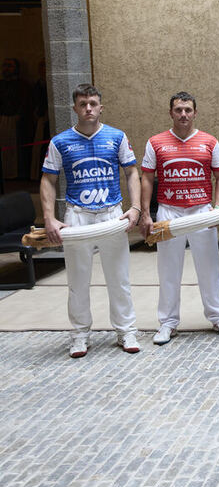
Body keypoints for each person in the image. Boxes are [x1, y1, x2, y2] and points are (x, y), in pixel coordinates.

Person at [40, 84, 142, 358]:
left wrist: (136, 208)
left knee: (119, 278)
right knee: (78, 280)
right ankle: (79, 335)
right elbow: (48, 179)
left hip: (112, 215)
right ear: (74, 108)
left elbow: (132, 172)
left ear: (101, 106)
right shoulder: (60, 142)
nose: (88, 108)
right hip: (78, 217)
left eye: (93, 103)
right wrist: (49, 218)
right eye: (83, 103)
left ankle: (126, 330)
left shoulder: (116, 137)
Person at [141, 91, 219, 344]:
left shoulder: (209, 142)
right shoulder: (156, 142)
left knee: (209, 267)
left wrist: (216, 208)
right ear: (171, 112)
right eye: (178, 110)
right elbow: (147, 178)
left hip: (201, 212)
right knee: (168, 269)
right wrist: (144, 214)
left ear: (195, 112)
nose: (183, 114)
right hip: (168, 211)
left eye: (188, 110)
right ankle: (167, 323)